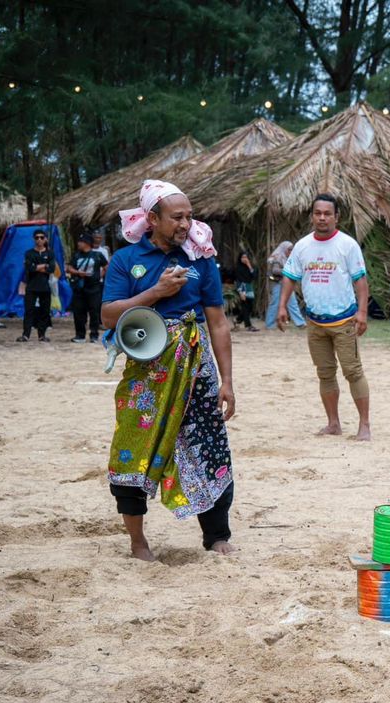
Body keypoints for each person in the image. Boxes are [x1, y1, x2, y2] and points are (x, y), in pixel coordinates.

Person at [102, 179, 235, 560]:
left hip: (198, 369)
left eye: (189, 217)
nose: (185, 224)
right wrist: (155, 293)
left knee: (209, 446)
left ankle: (216, 535)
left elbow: (219, 322)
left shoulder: (200, 259)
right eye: (177, 217)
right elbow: (108, 314)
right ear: (152, 218)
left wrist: (226, 381)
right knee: (133, 446)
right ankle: (138, 542)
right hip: (146, 370)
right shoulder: (126, 261)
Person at [278, 193, 371, 439]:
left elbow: (360, 280)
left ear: (336, 217)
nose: (322, 218)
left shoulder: (347, 245)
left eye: (327, 213)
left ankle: (364, 425)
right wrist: (282, 306)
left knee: (353, 371)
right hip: (315, 323)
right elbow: (290, 277)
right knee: (325, 373)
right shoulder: (302, 246)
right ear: (312, 216)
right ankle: (333, 423)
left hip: (344, 322)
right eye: (317, 213)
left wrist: (362, 313)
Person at [17, 229, 57, 343]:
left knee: (44, 311)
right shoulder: (29, 253)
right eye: (37, 237)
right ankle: (26, 335)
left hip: (45, 287)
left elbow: (51, 269)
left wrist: (37, 267)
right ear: (33, 239)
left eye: (41, 237)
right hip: (31, 286)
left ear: (45, 239)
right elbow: (29, 268)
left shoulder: (50, 253)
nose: (39, 239)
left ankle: (42, 335)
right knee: (29, 311)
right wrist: (44, 265)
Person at [66, 232, 107, 343]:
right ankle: (80, 335)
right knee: (78, 312)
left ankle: (94, 335)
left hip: (94, 288)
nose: (78, 243)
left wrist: (99, 276)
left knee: (94, 312)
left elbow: (106, 266)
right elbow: (68, 268)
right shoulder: (76, 255)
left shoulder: (97, 255)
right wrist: (78, 273)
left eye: (81, 241)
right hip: (79, 288)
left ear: (87, 243)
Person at [264, 240, 305, 330]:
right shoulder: (277, 258)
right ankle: (270, 324)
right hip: (277, 283)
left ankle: (300, 323)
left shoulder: (289, 259)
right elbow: (275, 271)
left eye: (292, 249)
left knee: (293, 303)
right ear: (284, 249)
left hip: (287, 284)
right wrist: (287, 272)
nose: (290, 251)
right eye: (289, 249)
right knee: (275, 303)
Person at [234, 250, 258, 332]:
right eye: (243, 257)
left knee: (250, 306)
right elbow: (237, 280)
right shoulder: (238, 268)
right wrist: (240, 292)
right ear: (240, 258)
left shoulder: (250, 266)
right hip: (242, 287)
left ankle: (237, 320)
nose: (245, 259)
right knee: (245, 306)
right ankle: (248, 326)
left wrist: (248, 265)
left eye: (246, 257)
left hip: (249, 287)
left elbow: (254, 276)